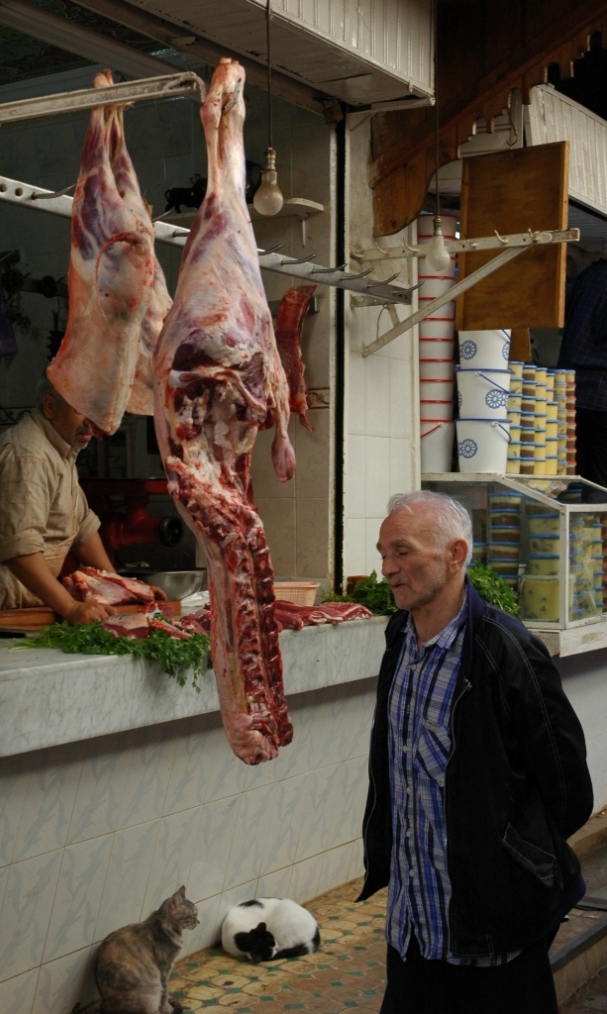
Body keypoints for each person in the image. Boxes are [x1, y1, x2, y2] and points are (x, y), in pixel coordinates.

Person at [357, 490, 593, 1014]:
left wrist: (510, 862)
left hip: (496, 939)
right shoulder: (400, 639)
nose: (388, 569)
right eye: (383, 554)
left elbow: (569, 792)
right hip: (414, 931)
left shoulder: (505, 649)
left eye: (402, 552)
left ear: (455, 555)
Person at [0, 375, 119, 625]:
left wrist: (119, 586)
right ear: (50, 407)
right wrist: (71, 607)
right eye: (81, 410)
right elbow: (20, 550)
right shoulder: (28, 456)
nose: (91, 422)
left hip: (24, 598)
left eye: (94, 411)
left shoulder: (60, 449)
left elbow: (82, 527)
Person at [557, 255, 607, 488]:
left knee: (575, 479)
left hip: (569, 391)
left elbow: (559, 307)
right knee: (599, 486)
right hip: (601, 396)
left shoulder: (592, 274)